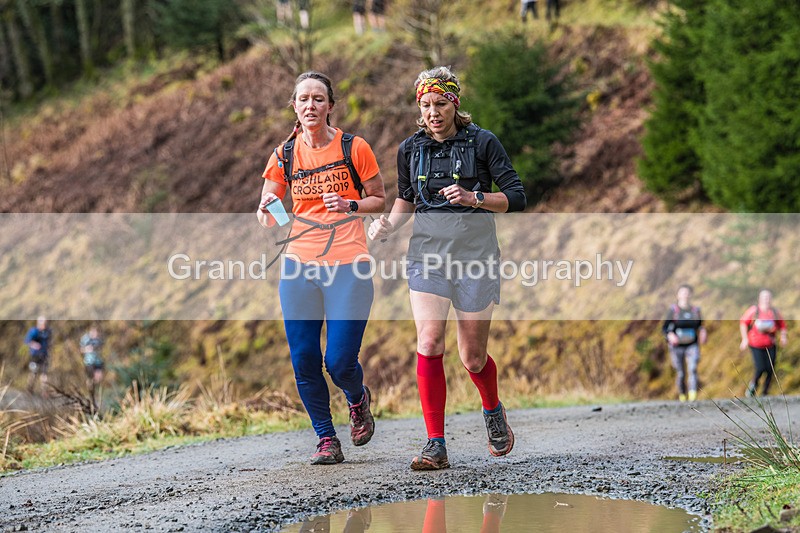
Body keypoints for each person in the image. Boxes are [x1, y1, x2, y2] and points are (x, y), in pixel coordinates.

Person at [369, 66, 526, 470]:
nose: (433, 112)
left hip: (476, 259)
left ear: (455, 104)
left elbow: (516, 197)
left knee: (472, 357)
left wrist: (475, 198)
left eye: (440, 103)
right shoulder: (410, 149)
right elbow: (406, 199)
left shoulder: (484, 142)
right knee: (429, 341)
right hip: (428, 258)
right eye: (425, 105)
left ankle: (492, 409)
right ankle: (435, 444)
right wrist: (388, 225)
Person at [258, 71, 386, 465]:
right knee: (304, 359)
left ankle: (357, 398)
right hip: (299, 265)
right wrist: (270, 211)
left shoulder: (354, 147)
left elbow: (379, 198)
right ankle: (326, 438)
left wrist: (350, 205)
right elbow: (269, 214)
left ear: (330, 105)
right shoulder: (284, 155)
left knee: (340, 362)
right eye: (303, 99)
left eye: (318, 98)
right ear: (294, 106)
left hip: (349, 264)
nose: (311, 105)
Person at [662, 284, 707, 402]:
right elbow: (665, 328)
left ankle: (693, 395)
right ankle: (682, 395)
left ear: (691, 295)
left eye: (687, 293)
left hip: (692, 344)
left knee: (692, 368)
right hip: (676, 346)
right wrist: (670, 335)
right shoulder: (673, 311)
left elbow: (700, 325)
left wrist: (703, 332)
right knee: (681, 372)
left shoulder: (695, 311)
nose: (685, 295)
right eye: (683, 293)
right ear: (678, 295)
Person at [740, 289, 787, 397]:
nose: (766, 300)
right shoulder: (754, 311)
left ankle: (765, 393)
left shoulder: (774, 312)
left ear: (771, 299)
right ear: (759, 299)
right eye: (764, 297)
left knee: (770, 369)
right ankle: (753, 386)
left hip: (770, 344)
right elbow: (743, 323)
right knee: (760, 368)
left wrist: (783, 337)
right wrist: (744, 339)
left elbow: (782, 326)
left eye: (768, 297)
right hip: (756, 344)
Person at [25, 316, 51, 395]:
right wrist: (34, 345)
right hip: (35, 355)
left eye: (46, 323)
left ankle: (44, 391)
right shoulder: (34, 331)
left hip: (44, 355)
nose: (45, 325)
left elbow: (49, 342)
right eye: (43, 323)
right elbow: (27, 341)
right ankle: (29, 388)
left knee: (44, 373)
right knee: (34, 372)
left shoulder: (48, 331)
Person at [80, 326, 105, 399]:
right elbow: (81, 350)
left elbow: (101, 349)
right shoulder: (85, 339)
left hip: (98, 361)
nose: (96, 335)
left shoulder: (99, 339)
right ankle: (90, 393)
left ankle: (96, 392)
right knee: (90, 380)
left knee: (99, 377)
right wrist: (86, 349)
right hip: (89, 362)